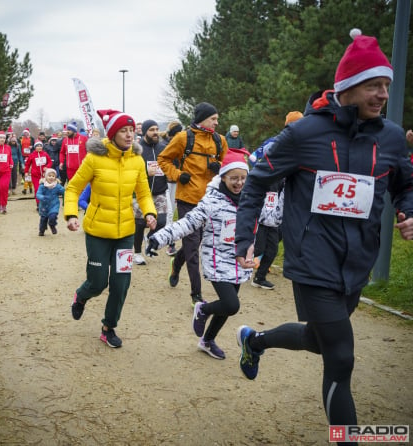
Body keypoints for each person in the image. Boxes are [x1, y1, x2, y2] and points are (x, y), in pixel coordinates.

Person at [234, 30, 413, 444]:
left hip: (357, 264)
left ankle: (255, 340)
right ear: (349, 86)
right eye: (374, 85)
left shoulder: (390, 137)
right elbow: (258, 181)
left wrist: (408, 211)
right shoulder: (305, 134)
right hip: (311, 260)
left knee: (318, 339)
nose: (383, 93)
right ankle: (348, 438)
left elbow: (407, 184)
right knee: (341, 357)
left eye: (386, 85)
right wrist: (246, 235)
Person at [64, 109, 157, 348]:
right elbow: (73, 188)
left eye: (131, 130)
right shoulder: (94, 158)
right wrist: (72, 214)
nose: (129, 135)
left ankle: (108, 327)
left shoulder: (137, 160)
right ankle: (81, 296)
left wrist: (149, 212)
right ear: (113, 134)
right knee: (97, 282)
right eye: (123, 131)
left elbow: (144, 193)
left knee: (121, 283)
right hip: (97, 232)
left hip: (125, 233)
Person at [147, 149, 252, 359]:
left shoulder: (250, 199)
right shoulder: (211, 201)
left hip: (240, 260)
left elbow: (265, 218)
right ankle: (203, 310)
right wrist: (159, 238)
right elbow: (188, 223)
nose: (239, 183)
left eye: (243, 178)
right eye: (234, 178)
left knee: (226, 308)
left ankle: (207, 341)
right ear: (223, 177)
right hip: (217, 259)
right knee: (231, 305)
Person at [157, 102, 228, 306]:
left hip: (210, 200)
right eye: (213, 119)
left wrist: (220, 166)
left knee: (196, 243)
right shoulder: (183, 138)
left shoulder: (219, 140)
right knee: (192, 246)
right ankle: (196, 295)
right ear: (202, 119)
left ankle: (176, 264)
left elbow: (229, 164)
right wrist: (178, 175)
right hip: (187, 197)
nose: (217, 122)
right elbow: (164, 159)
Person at [250, 111, 303, 289]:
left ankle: (260, 276)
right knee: (259, 244)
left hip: (283, 190)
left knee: (272, 247)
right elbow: (253, 158)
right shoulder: (274, 142)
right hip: (269, 186)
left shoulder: (303, 144)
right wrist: (263, 174)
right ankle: (239, 262)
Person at [132, 119, 169, 265]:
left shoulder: (163, 148)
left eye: (157, 129)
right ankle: (137, 253)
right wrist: (146, 172)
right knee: (140, 224)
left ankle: (150, 237)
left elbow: (168, 165)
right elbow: (132, 170)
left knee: (162, 221)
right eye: (152, 129)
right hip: (141, 193)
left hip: (159, 191)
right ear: (145, 131)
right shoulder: (137, 149)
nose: (155, 132)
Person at [161, 120, 184, 257]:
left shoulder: (183, 145)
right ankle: (170, 245)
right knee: (169, 214)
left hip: (179, 183)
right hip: (166, 184)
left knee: (177, 214)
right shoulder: (165, 145)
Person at [36, 168, 64, 236]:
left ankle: (52, 225)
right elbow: (38, 194)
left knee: (53, 216)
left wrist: (65, 191)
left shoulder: (57, 186)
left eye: (53, 176)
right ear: (46, 176)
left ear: (55, 177)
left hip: (54, 205)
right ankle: (41, 230)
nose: (51, 177)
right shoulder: (42, 186)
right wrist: (42, 197)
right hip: (44, 205)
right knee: (43, 219)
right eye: (49, 175)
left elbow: (63, 191)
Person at [24, 140, 52, 207]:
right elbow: (27, 164)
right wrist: (26, 172)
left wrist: (47, 167)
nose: (39, 147)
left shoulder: (45, 154)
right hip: (35, 176)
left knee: (46, 189)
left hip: (45, 176)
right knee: (37, 189)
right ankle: (38, 204)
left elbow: (50, 162)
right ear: (35, 147)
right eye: (37, 146)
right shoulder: (32, 155)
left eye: (40, 146)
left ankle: (46, 203)